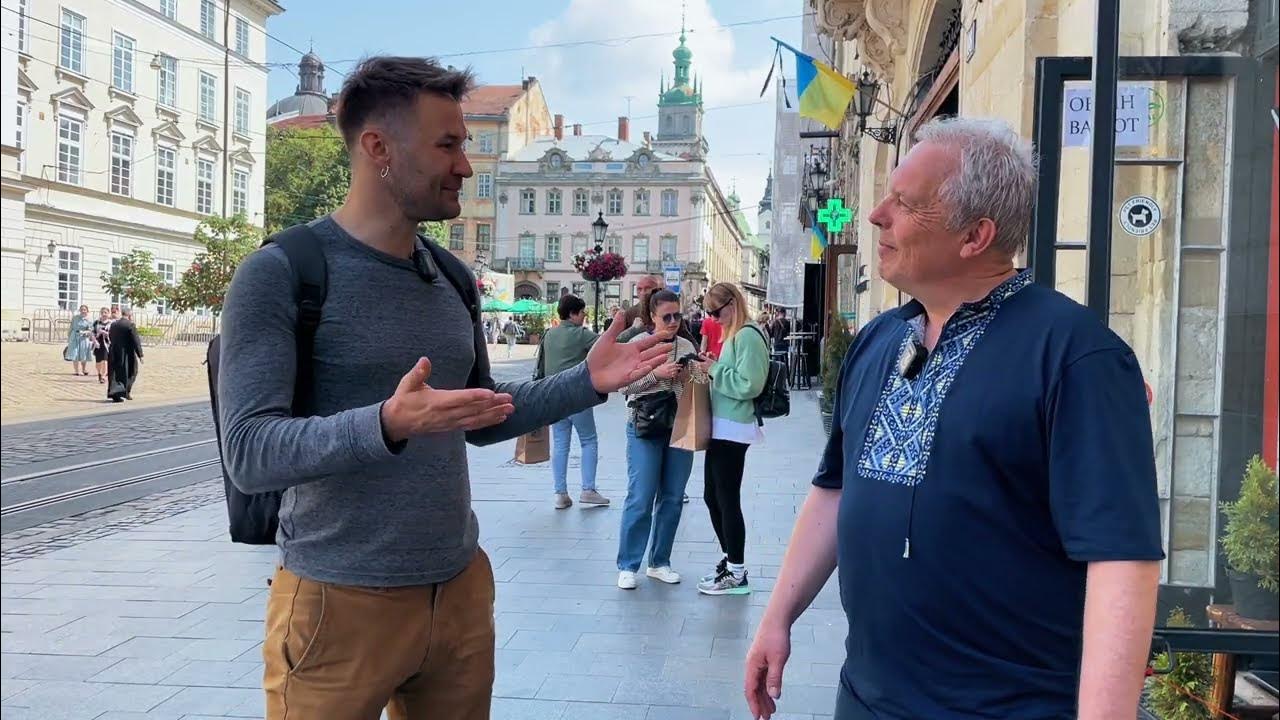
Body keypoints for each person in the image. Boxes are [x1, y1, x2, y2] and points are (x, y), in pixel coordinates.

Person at [217, 56, 669, 720]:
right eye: (448, 144)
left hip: (456, 592)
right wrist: (388, 423)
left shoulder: (453, 277)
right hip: (336, 603)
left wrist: (587, 382)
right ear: (379, 149)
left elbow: (480, 417)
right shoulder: (282, 272)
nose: (465, 164)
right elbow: (251, 453)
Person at [743, 118, 1162, 720]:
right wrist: (777, 617)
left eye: (904, 204)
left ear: (975, 235)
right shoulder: (879, 339)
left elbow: (1121, 559)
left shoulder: (1077, 356)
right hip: (866, 699)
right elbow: (835, 491)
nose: (875, 214)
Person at [616, 290, 705, 590]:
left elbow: (699, 385)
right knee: (640, 496)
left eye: (677, 316)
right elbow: (624, 386)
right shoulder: (637, 344)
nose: (672, 321)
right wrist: (657, 375)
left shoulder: (685, 344)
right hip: (644, 425)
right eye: (666, 316)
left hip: (679, 424)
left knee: (673, 497)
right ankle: (628, 565)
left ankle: (659, 562)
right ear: (651, 317)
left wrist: (697, 372)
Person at [691, 283, 769, 596]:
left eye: (716, 311)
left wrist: (714, 370)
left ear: (733, 304)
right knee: (714, 496)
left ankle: (737, 571)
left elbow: (750, 384)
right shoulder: (739, 334)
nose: (713, 318)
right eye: (708, 312)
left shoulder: (748, 335)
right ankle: (730, 560)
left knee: (725, 498)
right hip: (725, 425)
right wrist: (716, 365)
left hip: (733, 426)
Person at [536, 294, 608, 509]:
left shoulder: (548, 334)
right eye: (582, 312)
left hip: (553, 397)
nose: (584, 316)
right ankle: (588, 489)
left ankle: (560, 494)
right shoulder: (580, 334)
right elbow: (609, 343)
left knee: (560, 444)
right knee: (588, 440)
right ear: (573, 314)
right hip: (577, 396)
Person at [106, 307, 143, 403]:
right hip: (127, 353)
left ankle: (114, 393)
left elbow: (110, 336)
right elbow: (136, 340)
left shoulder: (113, 324)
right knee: (131, 372)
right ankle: (125, 392)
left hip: (114, 351)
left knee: (115, 373)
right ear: (130, 315)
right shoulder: (130, 325)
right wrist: (140, 354)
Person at [619, 275, 665, 343]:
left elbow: (684, 338)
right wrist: (633, 330)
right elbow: (618, 342)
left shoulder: (669, 310)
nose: (643, 292)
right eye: (639, 289)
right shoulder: (630, 313)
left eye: (647, 288)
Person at [64, 304, 94, 376]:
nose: (83, 311)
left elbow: (90, 330)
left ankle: (84, 369)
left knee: (83, 354)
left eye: (84, 310)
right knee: (75, 354)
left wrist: (84, 332)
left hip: (84, 338)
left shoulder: (89, 319)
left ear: (87, 311)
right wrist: (69, 337)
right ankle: (77, 370)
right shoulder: (75, 318)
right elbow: (71, 327)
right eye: (81, 309)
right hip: (74, 337)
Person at [92, 307, 112, 383]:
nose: (104, 314)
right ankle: (99, 373)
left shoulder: (111, 323)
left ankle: (103, 376)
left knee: (105, 360)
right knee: (98, 361)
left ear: (108, 314)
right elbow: (92, 333)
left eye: (105, 312)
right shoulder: (96, 322)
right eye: (102, 312)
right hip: (98, 344)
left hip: (107, 344)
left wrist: (105, 333)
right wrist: (95, 341)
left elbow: (113, 334)